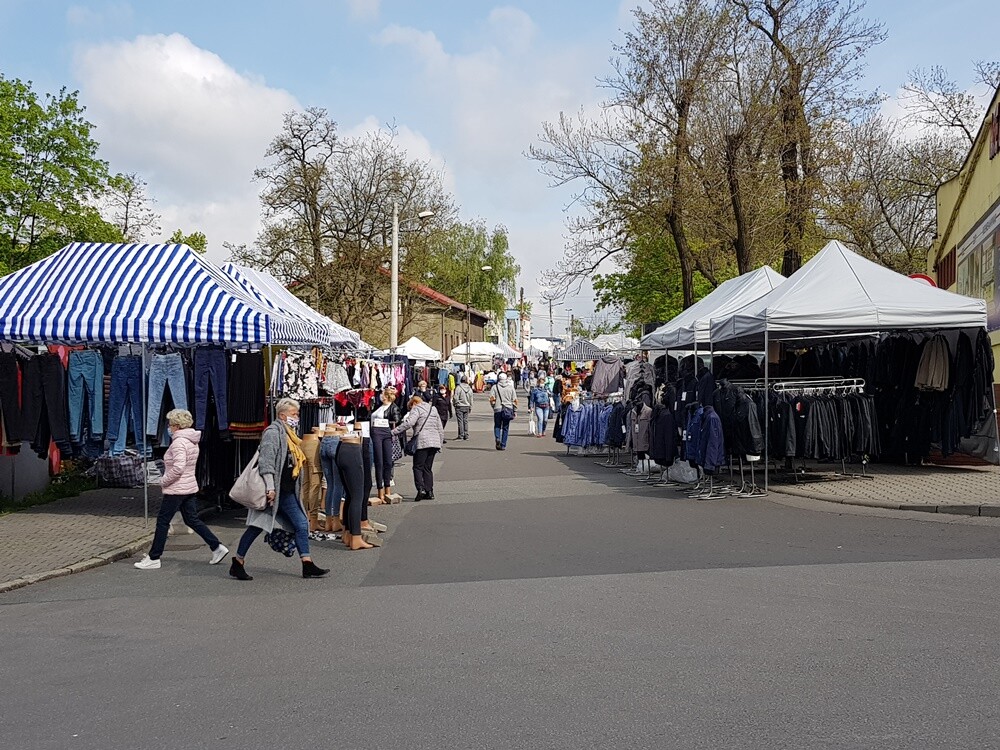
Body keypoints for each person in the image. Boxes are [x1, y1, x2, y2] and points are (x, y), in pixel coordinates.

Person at [229, 398, 329, 581]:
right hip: (276, 492)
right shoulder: (273, 433)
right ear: (282, 416)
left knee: (276, 526)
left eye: (297, 414)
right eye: (294, 414)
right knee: (276, 526)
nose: (297, 417)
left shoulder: (289, 434)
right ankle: (238, 562)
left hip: (286, 490)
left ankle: (306, 563)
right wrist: (270, 488)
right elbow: (266, 463)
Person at [134, 409, 228, 570]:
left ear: (177, 426)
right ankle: (216, 546)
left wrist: (163, 480)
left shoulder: (178, 443)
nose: (168, 428)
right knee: (192, 519)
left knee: (163, 521)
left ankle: (154, 557)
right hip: (189, 486)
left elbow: (178, 468)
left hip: (176, 489)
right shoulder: (192, 441)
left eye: (170, 424)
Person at [391, 395, 444, 501]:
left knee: (418, 467)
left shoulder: (416, 409)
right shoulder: (433, 409)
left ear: (413, 403)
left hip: (422, 441)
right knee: (427, 468)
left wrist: (394, 431)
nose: (410, 410)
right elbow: (440, 427)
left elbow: (409, 423)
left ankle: (421, 489)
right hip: (435, 441)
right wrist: (440, 444)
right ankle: (430, 491)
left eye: (410, 408)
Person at [370, 387, 401, 505]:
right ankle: (380, 491)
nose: (380, 396)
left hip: (386, 433)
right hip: (376, 433)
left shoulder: (393, 408)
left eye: (382, 394)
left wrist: (390, 424)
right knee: (379, 462)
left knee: (388, 461)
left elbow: (397, 420)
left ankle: (387, 489)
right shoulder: (379, 407)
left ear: (387, 396)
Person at [489, 372, 518, 451]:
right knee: (505, 427)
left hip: (498, 409)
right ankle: (503, 445)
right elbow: (515, 400)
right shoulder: (511, 387)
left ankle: (497, 437)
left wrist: (494, 406)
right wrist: (515, 410)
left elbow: (491, 399)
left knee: (497, 425)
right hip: (508, 409)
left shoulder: (494, 387)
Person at [452, 375, 474, 440]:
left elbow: (455, 397)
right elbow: (471, 399)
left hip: (460, 406)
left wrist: (455, 403)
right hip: (467, 406)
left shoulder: (458, 388)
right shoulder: (469, 388)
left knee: (460, 421)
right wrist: (470, 406)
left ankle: (461, 435)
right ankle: (466, 435)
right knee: (466, 421)